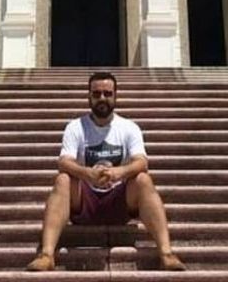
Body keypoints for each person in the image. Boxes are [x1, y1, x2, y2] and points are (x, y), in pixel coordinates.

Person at [26, 72, 184, 272]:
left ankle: (166, 253)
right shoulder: (76, 127)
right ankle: (47, 255)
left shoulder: (129, 127)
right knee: (63, 180)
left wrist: (119, 172)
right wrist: (87, 174)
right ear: (89, 96)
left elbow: (141, 162)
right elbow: (64, 162)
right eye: (97, 93)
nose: (102, 98)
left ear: (115, 96)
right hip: (86, 201)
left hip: (119, 200)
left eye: (107, 93)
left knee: (143, 179)